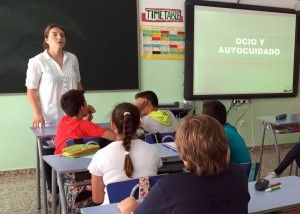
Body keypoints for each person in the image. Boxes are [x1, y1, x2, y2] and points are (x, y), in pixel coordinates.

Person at [118, 114, 250, 214]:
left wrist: (127, 210)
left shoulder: (169, 187)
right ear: (225, 147)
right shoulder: (238, 174)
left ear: (181, 154)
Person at [88, 102, 163, 205]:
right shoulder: (152, 151)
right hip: (146, 209)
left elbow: (98, 199)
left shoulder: (101, 155)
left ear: (113, 126)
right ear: (138, 125)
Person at [26, 23, 89, 128]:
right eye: (54, 35)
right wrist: (37, 113)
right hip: (50, 119)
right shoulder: (37, 61)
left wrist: (84, 106)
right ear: (46, 40)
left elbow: (78, 85)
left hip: (74, 117)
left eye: (62, 35)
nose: (59, 37)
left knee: (76, 144)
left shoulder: (72, 58)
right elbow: (31, 91)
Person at [54, 89, 115, 155]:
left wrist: (86, 112)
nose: (87, 105)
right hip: (74, 161)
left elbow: (82, 129)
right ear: (81, 108)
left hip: (58, 158)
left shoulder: (64, 119)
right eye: (85, 103)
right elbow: (115, 137)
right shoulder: (86, 125)